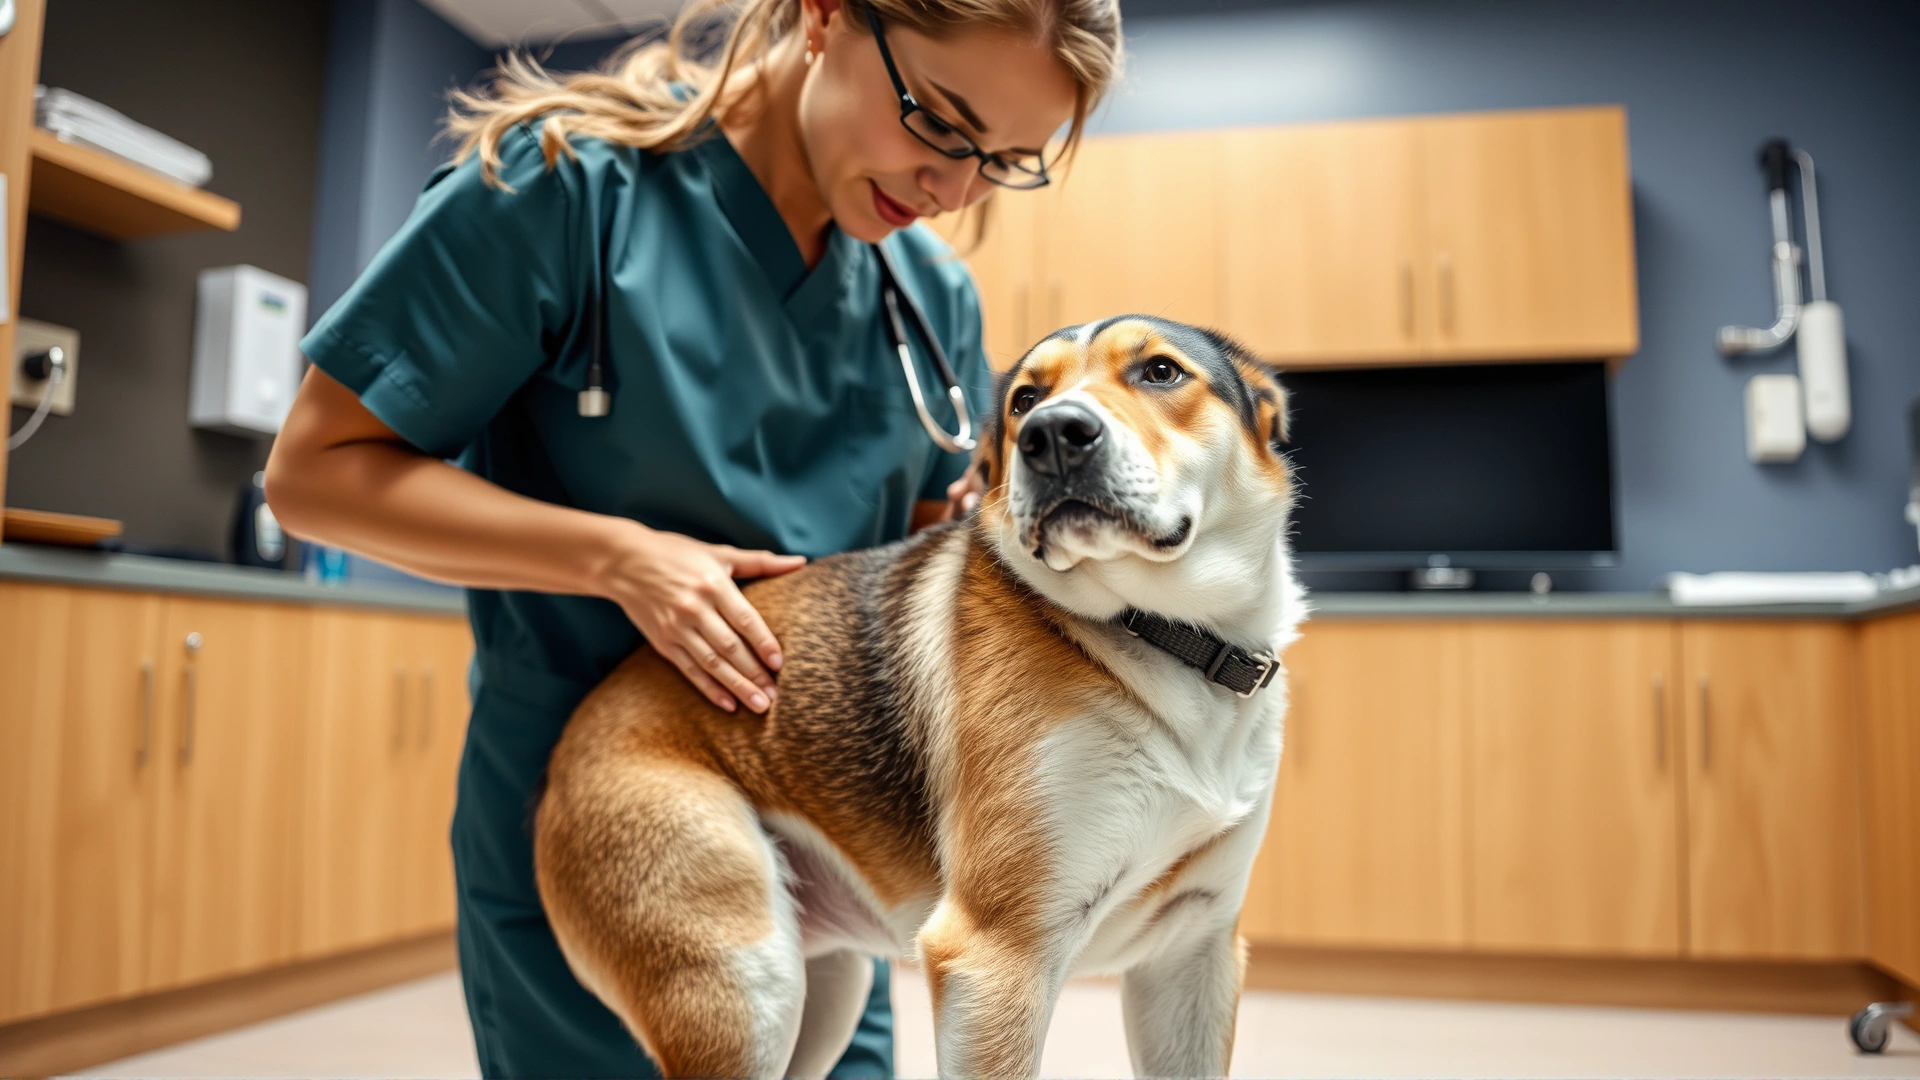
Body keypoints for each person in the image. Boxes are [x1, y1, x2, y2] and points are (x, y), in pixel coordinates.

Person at [264, 0, 1123, 1074]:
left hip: (837, 847)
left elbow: (907, 565)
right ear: (825, 18)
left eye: (1004, 162)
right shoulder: (564, 192)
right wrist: (618, 558)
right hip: (611, 839)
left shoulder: (929, 294)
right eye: (941, 124)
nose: (952, 191)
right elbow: (313, 475)